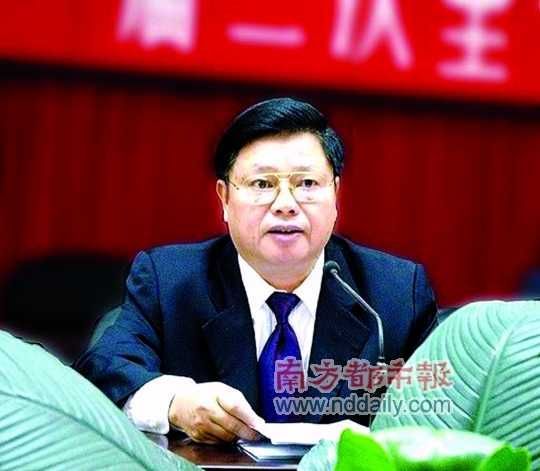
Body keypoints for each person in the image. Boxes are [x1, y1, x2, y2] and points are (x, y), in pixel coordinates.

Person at [75, 97, 438, 444]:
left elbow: (440, 414)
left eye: (307, 184)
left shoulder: (395, 296)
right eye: (262, 184)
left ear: (335, 194)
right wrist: (174, 403)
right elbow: (104, 368)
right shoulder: (169, 282)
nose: (285, 204)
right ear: (224, 198)